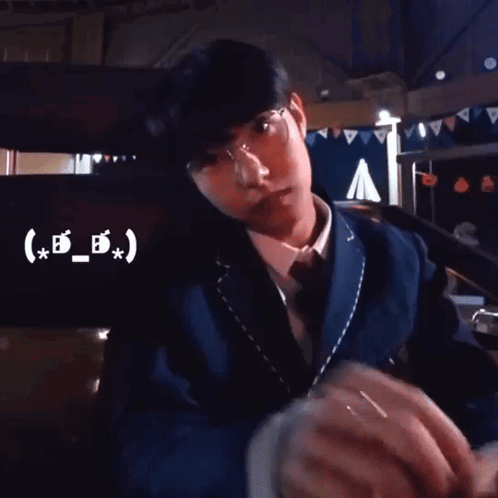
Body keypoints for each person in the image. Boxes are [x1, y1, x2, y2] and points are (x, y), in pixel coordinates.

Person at [102, 39, 498, 498]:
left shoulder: (399, 256)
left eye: (262, 127)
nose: (251, 173)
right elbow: (141, 450)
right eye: (210, 159)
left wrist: (489, 455)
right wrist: (264, 457)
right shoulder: (164, 282)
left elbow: (475, 392)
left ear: (297, 114)